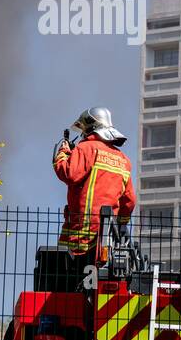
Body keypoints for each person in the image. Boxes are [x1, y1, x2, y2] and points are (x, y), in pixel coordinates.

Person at [52, 106, 136, 264]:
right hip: (107, 240)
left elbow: (68, 173)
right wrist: (121, 225)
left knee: (61, 277)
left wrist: (63, 152)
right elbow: (129, 201)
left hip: (79, 238)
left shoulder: (85, 149)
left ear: (90, 127)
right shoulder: (123, 160)